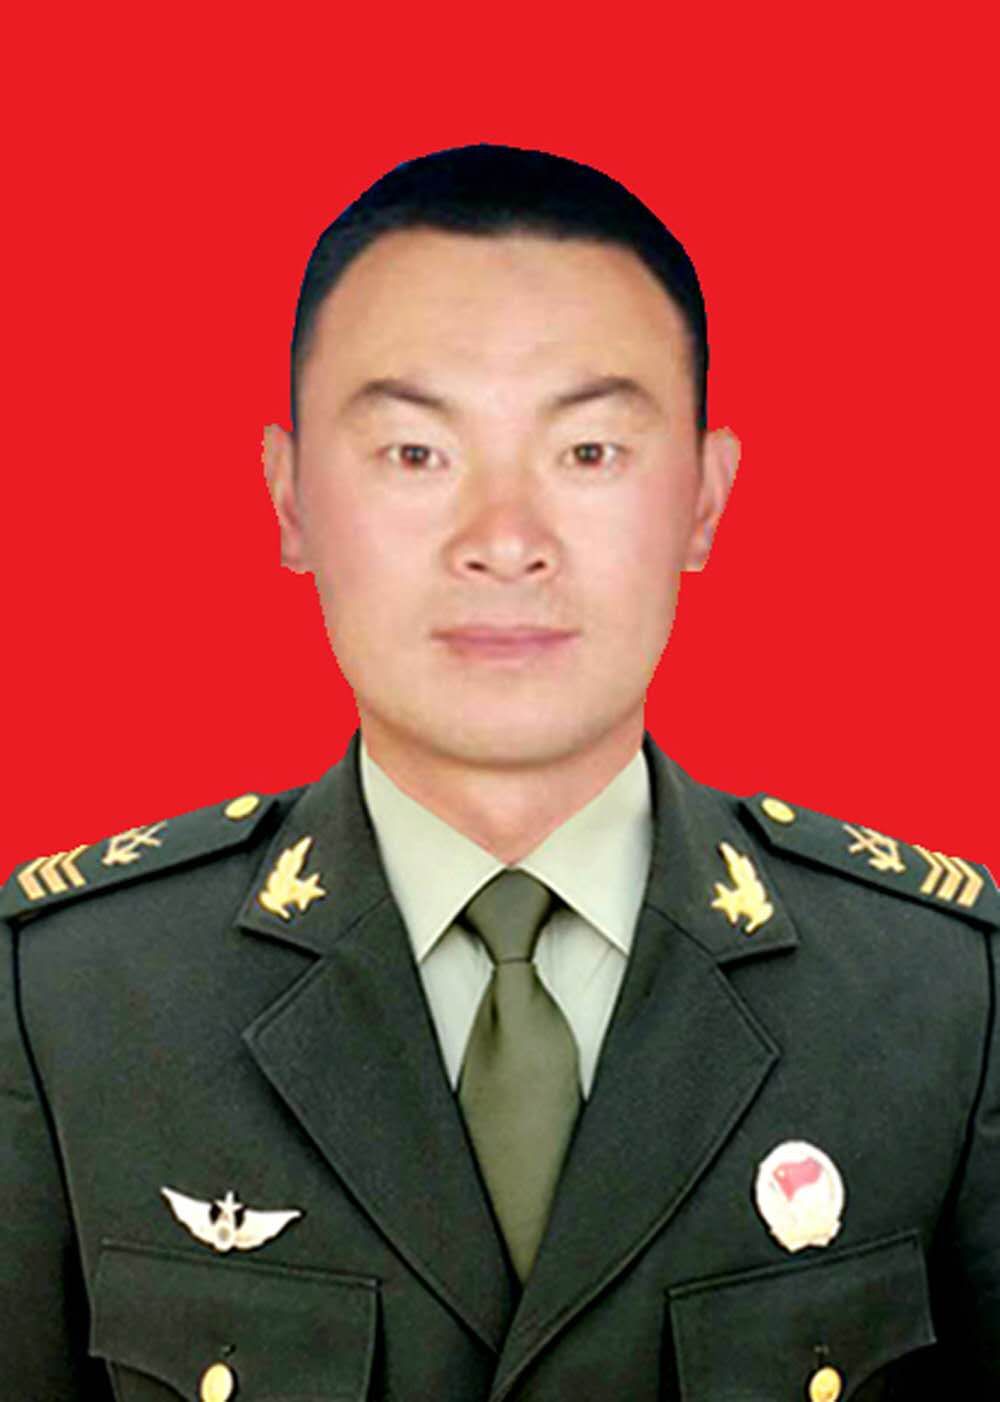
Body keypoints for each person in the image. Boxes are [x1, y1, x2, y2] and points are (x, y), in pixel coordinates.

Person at [1, 144, 996, 1402]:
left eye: (590, 452)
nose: (506, 541)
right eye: (416, 453)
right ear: (290, 496)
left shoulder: (940, 994)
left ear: (704, 497)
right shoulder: (69, 999)